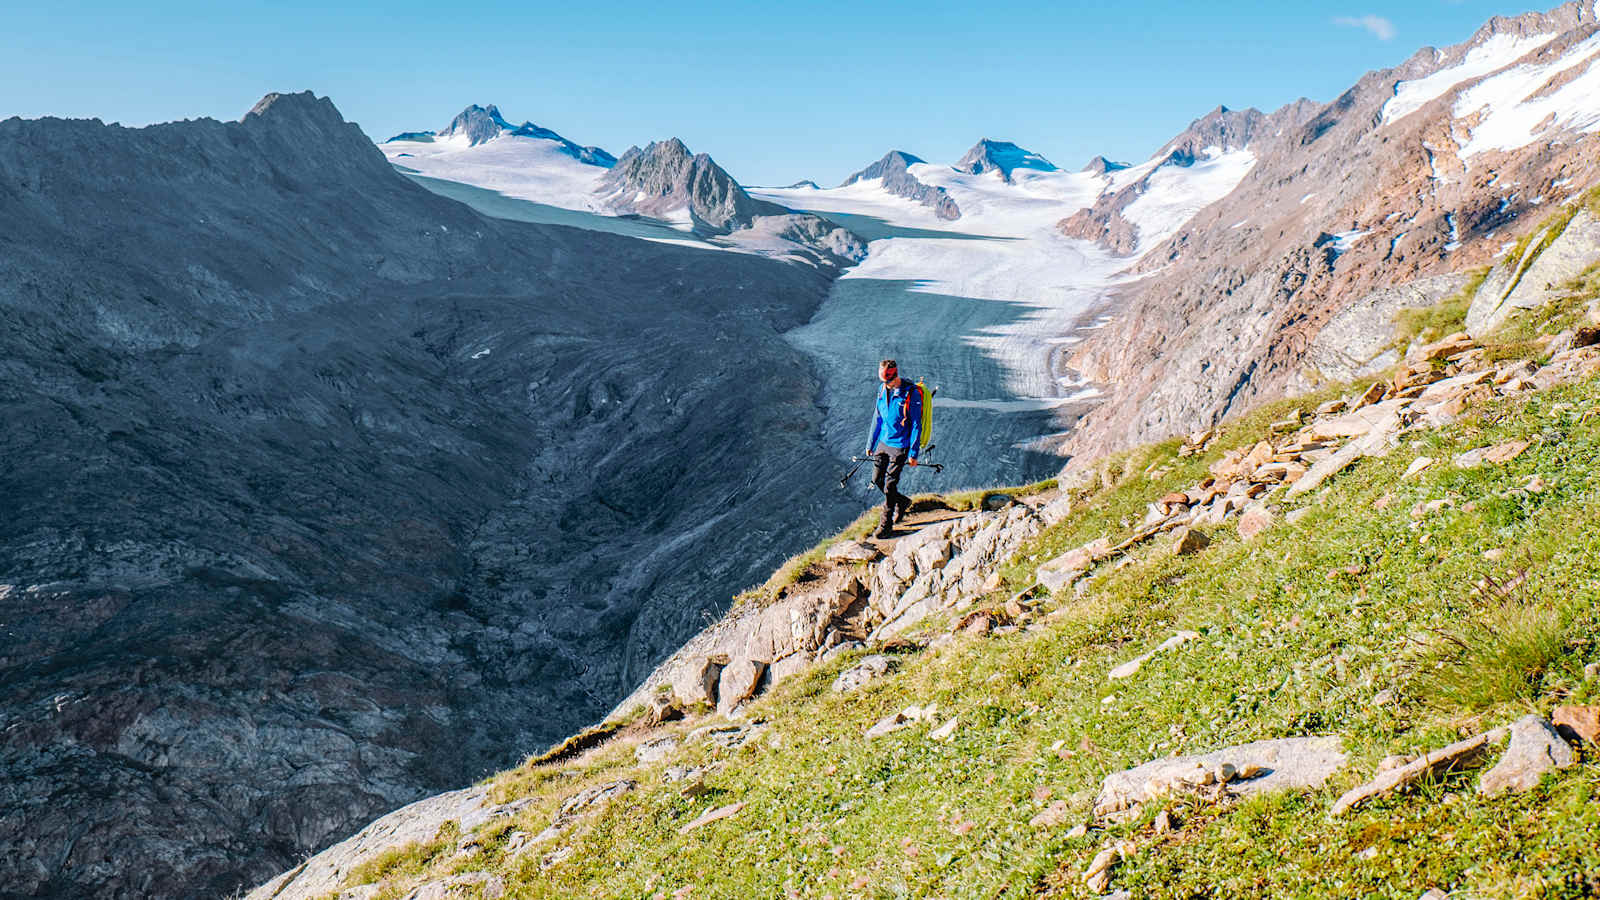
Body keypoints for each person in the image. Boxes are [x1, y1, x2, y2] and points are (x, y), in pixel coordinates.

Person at [864, 358, 921, 538]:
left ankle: (886, 525)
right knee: (878, 479)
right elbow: (877, 417)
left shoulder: (911, 394)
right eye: (883, 381)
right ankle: (902, 501)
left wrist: (913, 453)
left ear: (895, 376)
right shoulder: (882, 390)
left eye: (887, 381)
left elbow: (916, 425)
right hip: (884, 442)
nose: (885, 385)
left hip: (900, 446)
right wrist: (870, 443)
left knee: (889, 485)